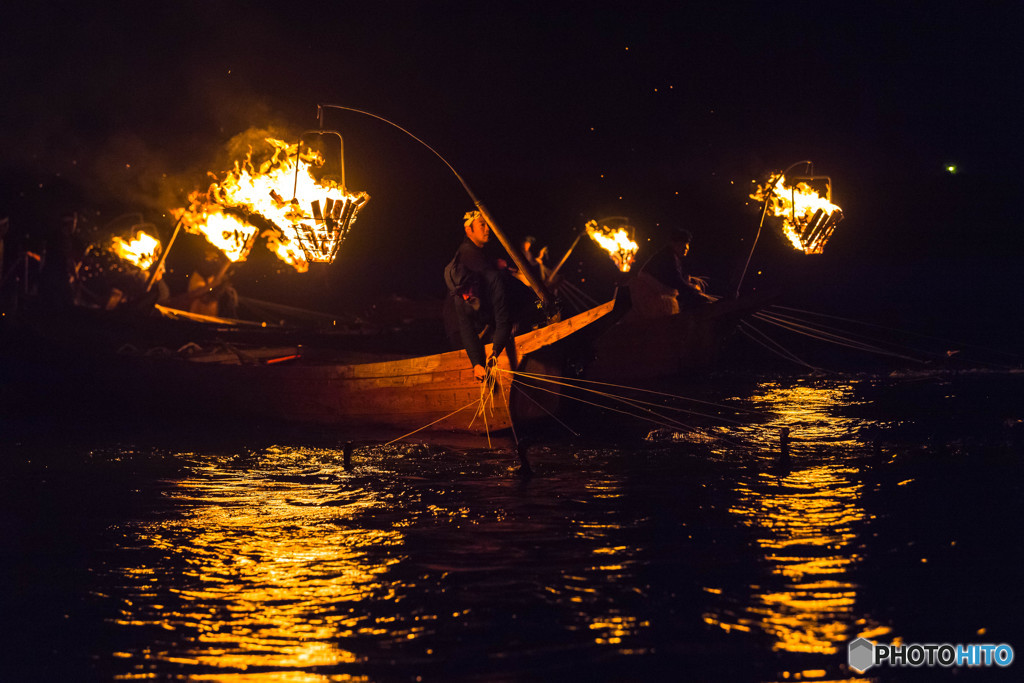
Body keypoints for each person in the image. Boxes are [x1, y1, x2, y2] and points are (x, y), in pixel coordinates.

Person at [444, 211, 522, 382]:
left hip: (489, 311)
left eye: (488, 224)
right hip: (459, 326)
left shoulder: (492, 280)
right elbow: (466, 329)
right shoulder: (460, 292)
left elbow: (502, 318)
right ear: (468, 230)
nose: (488, 229)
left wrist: (495, 351)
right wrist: (476, 364)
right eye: (482, 225)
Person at [635, 226, 711, 314]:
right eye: (682, 243)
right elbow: (675, 280)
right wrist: (695, 292)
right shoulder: (667, 257)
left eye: (687, 244)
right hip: (652, 299)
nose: (686, 247)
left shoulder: (671, 256)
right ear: (673, 243)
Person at [187, 247, 238, 317]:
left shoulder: (211, 277)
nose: (213, 264)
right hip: (197, 316)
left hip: (211, 316)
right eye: (209, 261)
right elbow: (203, 294)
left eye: (215, 260)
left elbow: (217, 283)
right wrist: (228, 261)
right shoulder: (197, 277)